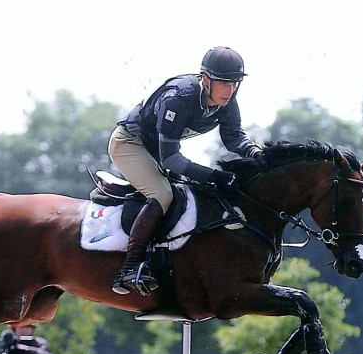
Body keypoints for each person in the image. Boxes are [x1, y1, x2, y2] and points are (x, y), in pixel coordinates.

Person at [108, 46, 265, 296]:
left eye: (234, 83)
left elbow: (234, 137)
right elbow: (170, 159)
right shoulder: (178, 98)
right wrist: (216, 176)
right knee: (163, 194)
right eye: (224, 83)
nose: (230, 90)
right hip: (130, 144)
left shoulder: (227, 100)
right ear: (205, 80)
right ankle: (129, 268)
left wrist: (256, 152)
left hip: (156, 149)